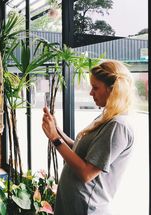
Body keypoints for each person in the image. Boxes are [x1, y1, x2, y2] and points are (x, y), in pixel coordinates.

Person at [41, 60, 135, 215]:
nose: (91, 93)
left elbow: (87, 173)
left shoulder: (118, 126)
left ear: (113, 90)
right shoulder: (107, 117)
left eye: (95, 88)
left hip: (86, 209)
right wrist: (56, 131)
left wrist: (55, 139)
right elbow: (80, 152)